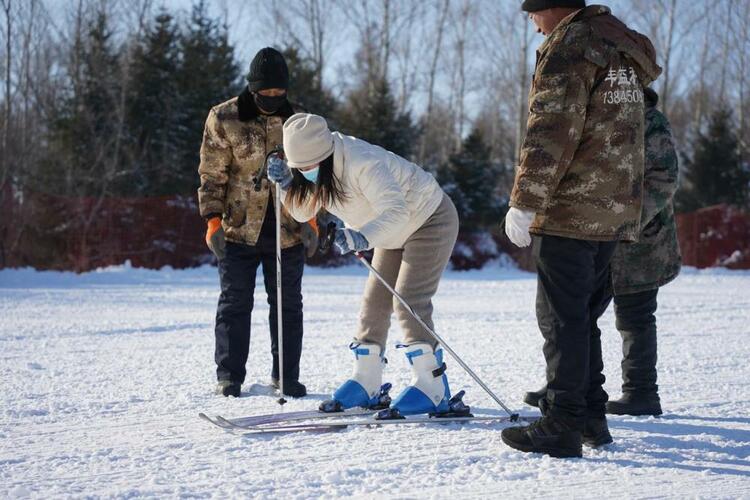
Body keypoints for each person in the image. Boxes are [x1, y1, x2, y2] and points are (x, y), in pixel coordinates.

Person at [501, 1, 662, 458]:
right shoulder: (621, 47)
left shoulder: (571, 45)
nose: (533, 25)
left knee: (560, 319)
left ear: (551, 8)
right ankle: (591, 413)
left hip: (572, 207)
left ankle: (563, 422)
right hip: (612, 209)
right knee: (581, 317)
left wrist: (523, 201)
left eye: (533, 13)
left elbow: (551, 130)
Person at [267, 113, 460, 417]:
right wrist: (287, 185)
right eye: (298, 169)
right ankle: (367, 381)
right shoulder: (318, 170)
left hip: (428, 219)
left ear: (325, 156)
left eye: (308, 168)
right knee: (373, 303)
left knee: (408, 300)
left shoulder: (362, 163)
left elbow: (395, 211)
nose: (306, 173)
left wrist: (360, 236)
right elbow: (303, 213)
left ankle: (432, 388)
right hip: (391, 233)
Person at [524, 88, 682, 417]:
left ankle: (641, 393)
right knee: (574, 313)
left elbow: (664, 178)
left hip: (640, 242)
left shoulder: (651, 123)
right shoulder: (594, 118)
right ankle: (567, 384)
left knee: (635, 316)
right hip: (593, 235)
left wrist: (627, 220)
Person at [198, 47, 314, 399]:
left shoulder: (299, 121)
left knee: (288, 305)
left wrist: (312, 220)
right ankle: (230, 376)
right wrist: (212, 222)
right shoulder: (224, 118)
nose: (273, 99)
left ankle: (286, 375)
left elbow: (313, 176)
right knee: (234, 302)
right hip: (237, 228)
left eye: (279, 94)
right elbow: (211, 174)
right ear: (253, 88)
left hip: (287, 229)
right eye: (266, 94)